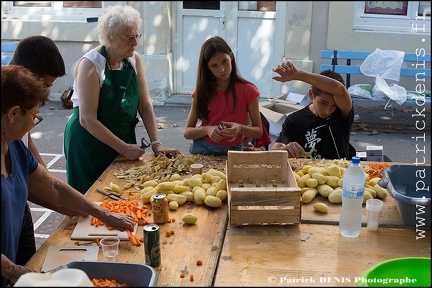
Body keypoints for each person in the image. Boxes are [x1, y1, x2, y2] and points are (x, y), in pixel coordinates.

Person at [1, 65, 135, 287]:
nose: (33, 124)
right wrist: (13, 271)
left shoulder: (15, 147)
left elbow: (52, 188)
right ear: (13, 114)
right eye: (34, 116)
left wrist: (103, 214)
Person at [63, 5, 179, 194]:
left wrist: (156, 143)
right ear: (110, 37)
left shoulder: (134, 60)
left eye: (137, 36)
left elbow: (145, 104)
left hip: (123, 139)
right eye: (128, 38)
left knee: (122, 194)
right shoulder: (91, 65)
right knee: (89, 200)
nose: (135, 43)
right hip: (88, 143)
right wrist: (123, 148)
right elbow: (87, 119)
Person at [8, 35, 67, 267]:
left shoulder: (24, 102)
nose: (45, 93)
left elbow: (27, 142)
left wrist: (48, 179)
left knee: (29, 262)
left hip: (18, 199)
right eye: (44, 84)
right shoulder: (10, 98)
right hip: (8, 196)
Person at [183, 36, 262, 155]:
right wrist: (207, 130)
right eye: (214, 65)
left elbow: (258, 131)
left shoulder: (248, 90)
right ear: (207, 67)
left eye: (224, 61)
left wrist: (240, 128)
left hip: (234, 151)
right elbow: (187, 132)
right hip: (202, 150)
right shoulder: (202, 92)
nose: (222, 69)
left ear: (231, 57)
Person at [271, 61, 354, 159]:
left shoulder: (341, 113)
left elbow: (339, 90)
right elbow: (275, 152)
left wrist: (299, 75)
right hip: (304, 173)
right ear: (311, 94)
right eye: (323, 103)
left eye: (334, 106)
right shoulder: (294, 120)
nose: (328, 111)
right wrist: (285, 150)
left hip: (338, 172)